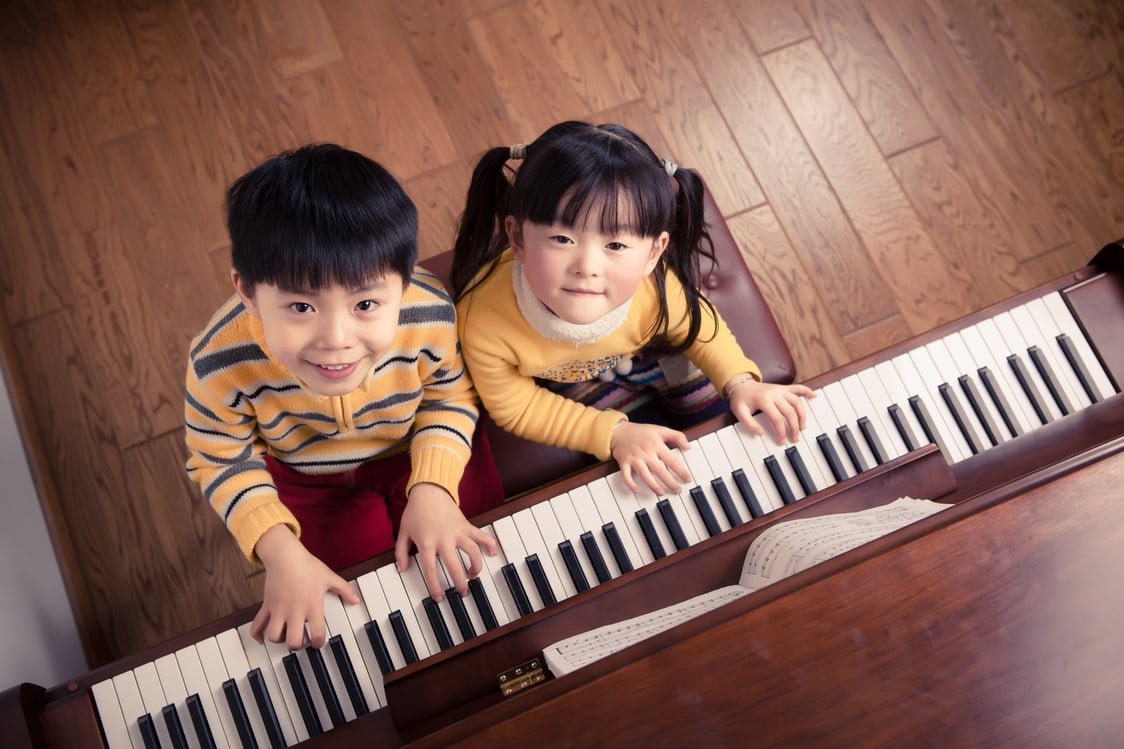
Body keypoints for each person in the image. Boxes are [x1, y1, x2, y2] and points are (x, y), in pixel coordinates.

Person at [185, 143, 502, 650]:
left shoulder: (427, 312)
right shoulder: (219, 361)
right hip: (310, 479)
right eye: (300, 306)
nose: (336, 339)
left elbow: (450, 397)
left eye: (367, 303)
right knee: (347, 592)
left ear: (402, 284)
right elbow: (219, 456)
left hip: (415, 445)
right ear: (246, 292)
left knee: (478, 548)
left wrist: (435, 488)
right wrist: (278, 549)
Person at [452, 121, 815, 496]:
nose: (587, 266)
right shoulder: (483, 320)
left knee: (721, 426)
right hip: (574, 378)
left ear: (653, 253)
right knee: (644, 455)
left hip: (652, 354)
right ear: (517, 238)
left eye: (616, 246)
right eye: (562, 238)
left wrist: (740, 382)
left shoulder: (653, 289)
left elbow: (699, 325)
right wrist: (614, 433)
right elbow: (518, 407)